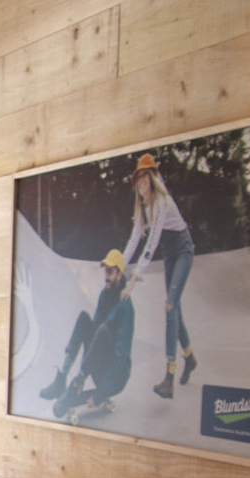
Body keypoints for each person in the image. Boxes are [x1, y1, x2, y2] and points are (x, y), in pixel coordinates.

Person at [123, 153, 197, 398]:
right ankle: (190, 358)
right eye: (138, 178)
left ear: (153, 178)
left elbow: (151, 243)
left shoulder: (161, 201)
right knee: (174, 308)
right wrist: (119, 266)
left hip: (183, 249)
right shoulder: (142, 208)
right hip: (170, 253)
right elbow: (135, 239)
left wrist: (134, 278)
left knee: (169, 306)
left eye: (145, 176)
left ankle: (169, 377)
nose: (141, 181)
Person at [39, 249, 135, 419]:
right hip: (99, 365)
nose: (106, 276)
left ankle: (76, 382)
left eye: (111, 272)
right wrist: (83, 377)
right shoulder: (105, 295)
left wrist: (100, 393)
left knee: (104, 330)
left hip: (116, 375)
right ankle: (62, 379)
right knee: (85, 318)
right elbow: (93, 339)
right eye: (105, 271)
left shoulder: (126, 307)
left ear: (120, 275)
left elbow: (122, 356)